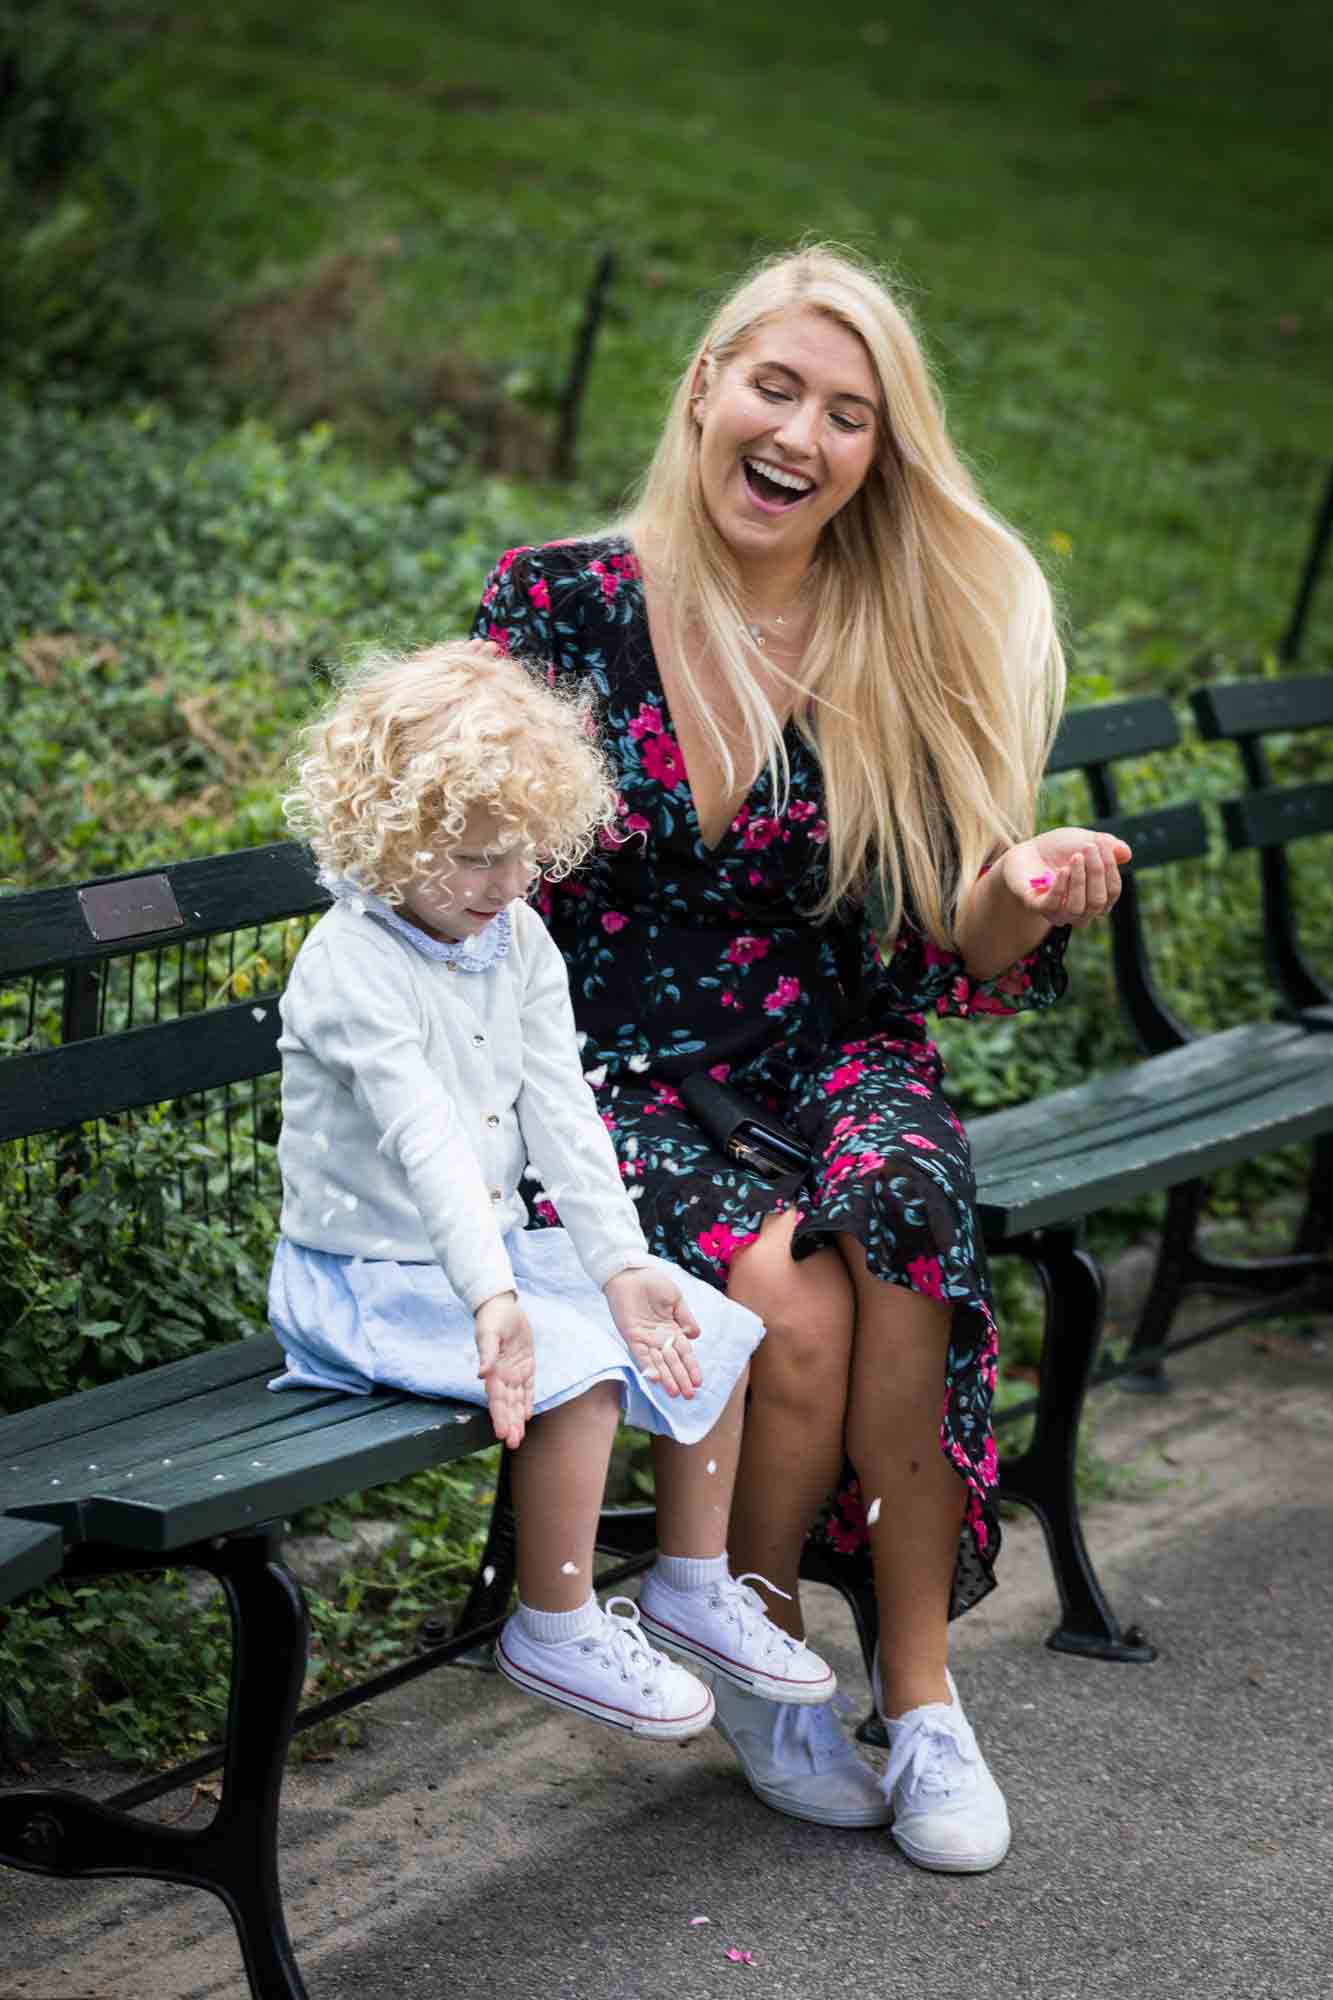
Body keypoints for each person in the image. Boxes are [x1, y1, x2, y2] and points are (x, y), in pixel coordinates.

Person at [471, 244, 1130, 1869]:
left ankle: (919, 1703)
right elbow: (465, 865)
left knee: (900, 1213)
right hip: (604, 1064)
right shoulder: (553, 604)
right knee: (790, 1298)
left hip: (825, 1041)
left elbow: (953, 940)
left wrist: (1022, 891)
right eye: (775, 386)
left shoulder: (885, 635)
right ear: (703, 388)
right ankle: (758, 1654)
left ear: (870, 458)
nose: (801, 433)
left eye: (846, 415)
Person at [268, 638, 841, 1741]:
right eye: (478, 857)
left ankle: (689, 1575)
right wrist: (498, 1299)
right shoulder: (350, 965)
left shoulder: (515, 936)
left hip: (477, 1253)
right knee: (578, 1372)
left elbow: (561, 1110)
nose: (506, 884)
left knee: (704, 1321)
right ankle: (555, 1617)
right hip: (369, 1279)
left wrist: (620, 1267)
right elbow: (427, 1140)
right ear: (391, 837)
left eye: (524, 855)